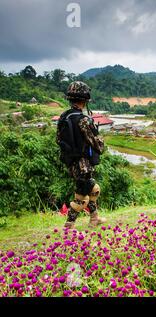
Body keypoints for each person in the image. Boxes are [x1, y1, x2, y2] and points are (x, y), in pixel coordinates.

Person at [56, 81, 106, 229]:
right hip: (83, 164)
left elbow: (58, 139)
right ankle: (68, 226)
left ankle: (94, 218)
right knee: (81, 197)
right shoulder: (84, 120)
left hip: (71, 162)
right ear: (85, 100)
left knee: (93, 189)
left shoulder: (64, 116)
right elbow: (98, 144)